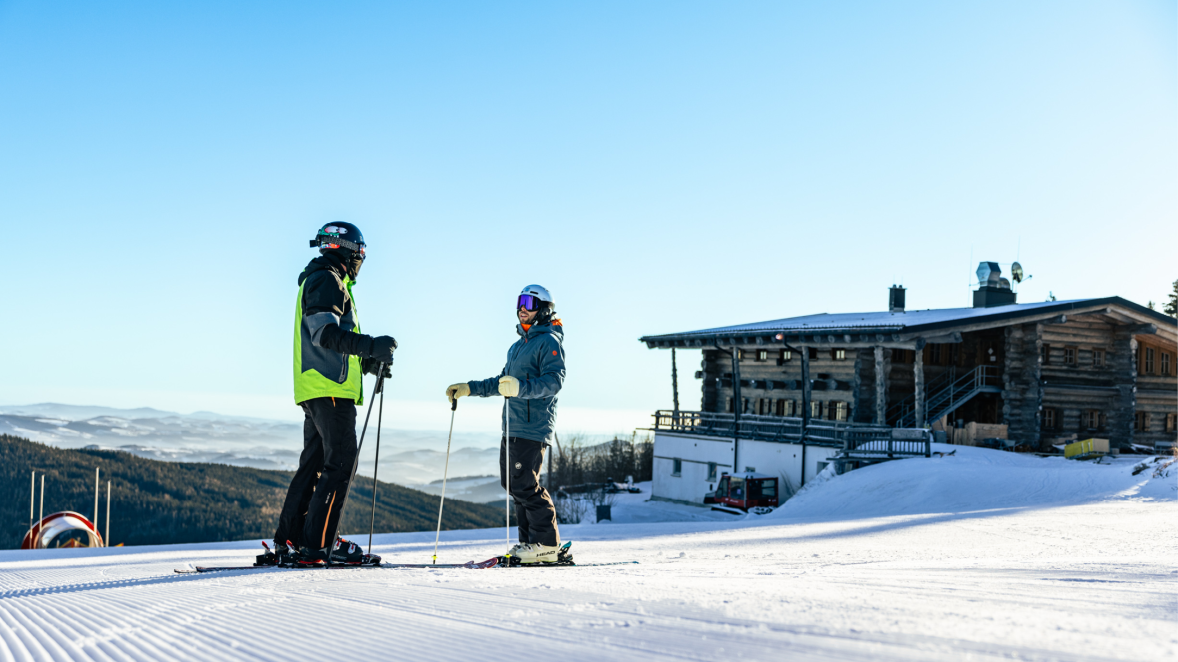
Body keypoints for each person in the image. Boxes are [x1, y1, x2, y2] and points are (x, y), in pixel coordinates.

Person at [271, 222, 397, 565]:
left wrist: (367, 360)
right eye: (362, 252)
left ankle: (290, 538)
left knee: (313, 465)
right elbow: (324, 334)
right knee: (340, 464)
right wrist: (370, 345)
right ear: (349, 251)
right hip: (329, 390)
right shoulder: (327, 279)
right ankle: (319, 545)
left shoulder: (320, 278)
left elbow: (331, 340)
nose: (362, 259)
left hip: (317, 388)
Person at [446, 285, 565, 564]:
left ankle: (546, 544)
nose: (522, 307)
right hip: (511, 427)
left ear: (544, 309)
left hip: (532, 427)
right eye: (520, 301)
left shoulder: (549, 341)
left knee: (525, 484)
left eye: (530, 302)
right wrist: (468, 388)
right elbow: (501, 384)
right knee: (513, 484)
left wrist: (521, 387)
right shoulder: (517, 346)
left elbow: (554, 381)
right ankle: (529, 543)